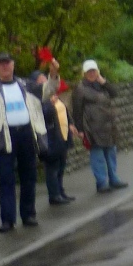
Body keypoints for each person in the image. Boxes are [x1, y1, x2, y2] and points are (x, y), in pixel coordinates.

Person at [0, 52, 60, 233]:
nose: (5, 66)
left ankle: (28, 214)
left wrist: (53, 73)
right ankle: (7, 220)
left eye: (7, 63)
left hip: (27, 134)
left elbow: (48, 90)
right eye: (1, 64)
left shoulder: (27, 85)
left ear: (13, 65)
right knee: (6, 179)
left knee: (29, 176)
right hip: (4, 136)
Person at [72, 60, 128, 193]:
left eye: (94, 71)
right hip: (93, 127)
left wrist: (104, 82)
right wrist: (80, 129)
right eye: (89, 71)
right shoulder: (80, 89)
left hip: (108, 126)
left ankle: (113, 178)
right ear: (84, 73)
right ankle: (101, 182)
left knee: (111, 153)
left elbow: (114, 93)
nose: (92, 74)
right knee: (98, 156)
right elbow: (77, 111)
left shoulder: (102, 85)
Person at [30, 71, 78, 205]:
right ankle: (54, 195)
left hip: (61, 135)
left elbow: (64, 111)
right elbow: (42, 116)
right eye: (40, 80)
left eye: (44, 79)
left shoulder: (52, 95)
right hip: (50, 138)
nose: (44, 82)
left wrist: (71, 124)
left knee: (61, 166)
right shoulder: (36, 99)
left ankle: (60, 191)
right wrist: (49, 104)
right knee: (52, 167)